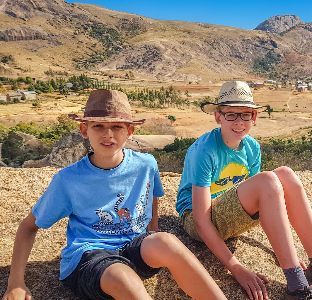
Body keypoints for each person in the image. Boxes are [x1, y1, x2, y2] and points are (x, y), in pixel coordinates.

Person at [2, 90, 226, 300]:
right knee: (121, 276)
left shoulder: (146, 165)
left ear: (130, 131)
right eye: (98, 126)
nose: (108, 134)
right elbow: (29, 226)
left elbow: (152, 196)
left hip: (133, 247)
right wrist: (16, 283)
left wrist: (153, 235)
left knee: (166, 241)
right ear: (84, 130)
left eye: (117, 126)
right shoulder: (68, 180)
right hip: (91, 257)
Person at [176, 81, 312, 300]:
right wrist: (237, 269)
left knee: (286, 175)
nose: (239, 122)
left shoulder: (252, 147)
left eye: (246, 115)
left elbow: (263, 204)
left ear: (254, 117)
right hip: (197, 220)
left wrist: (285, 254)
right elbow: (200, 222)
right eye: (231, 115)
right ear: (218, 117)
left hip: (228, 214)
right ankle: (298, 287)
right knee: (269, 180)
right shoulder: (205, 150)